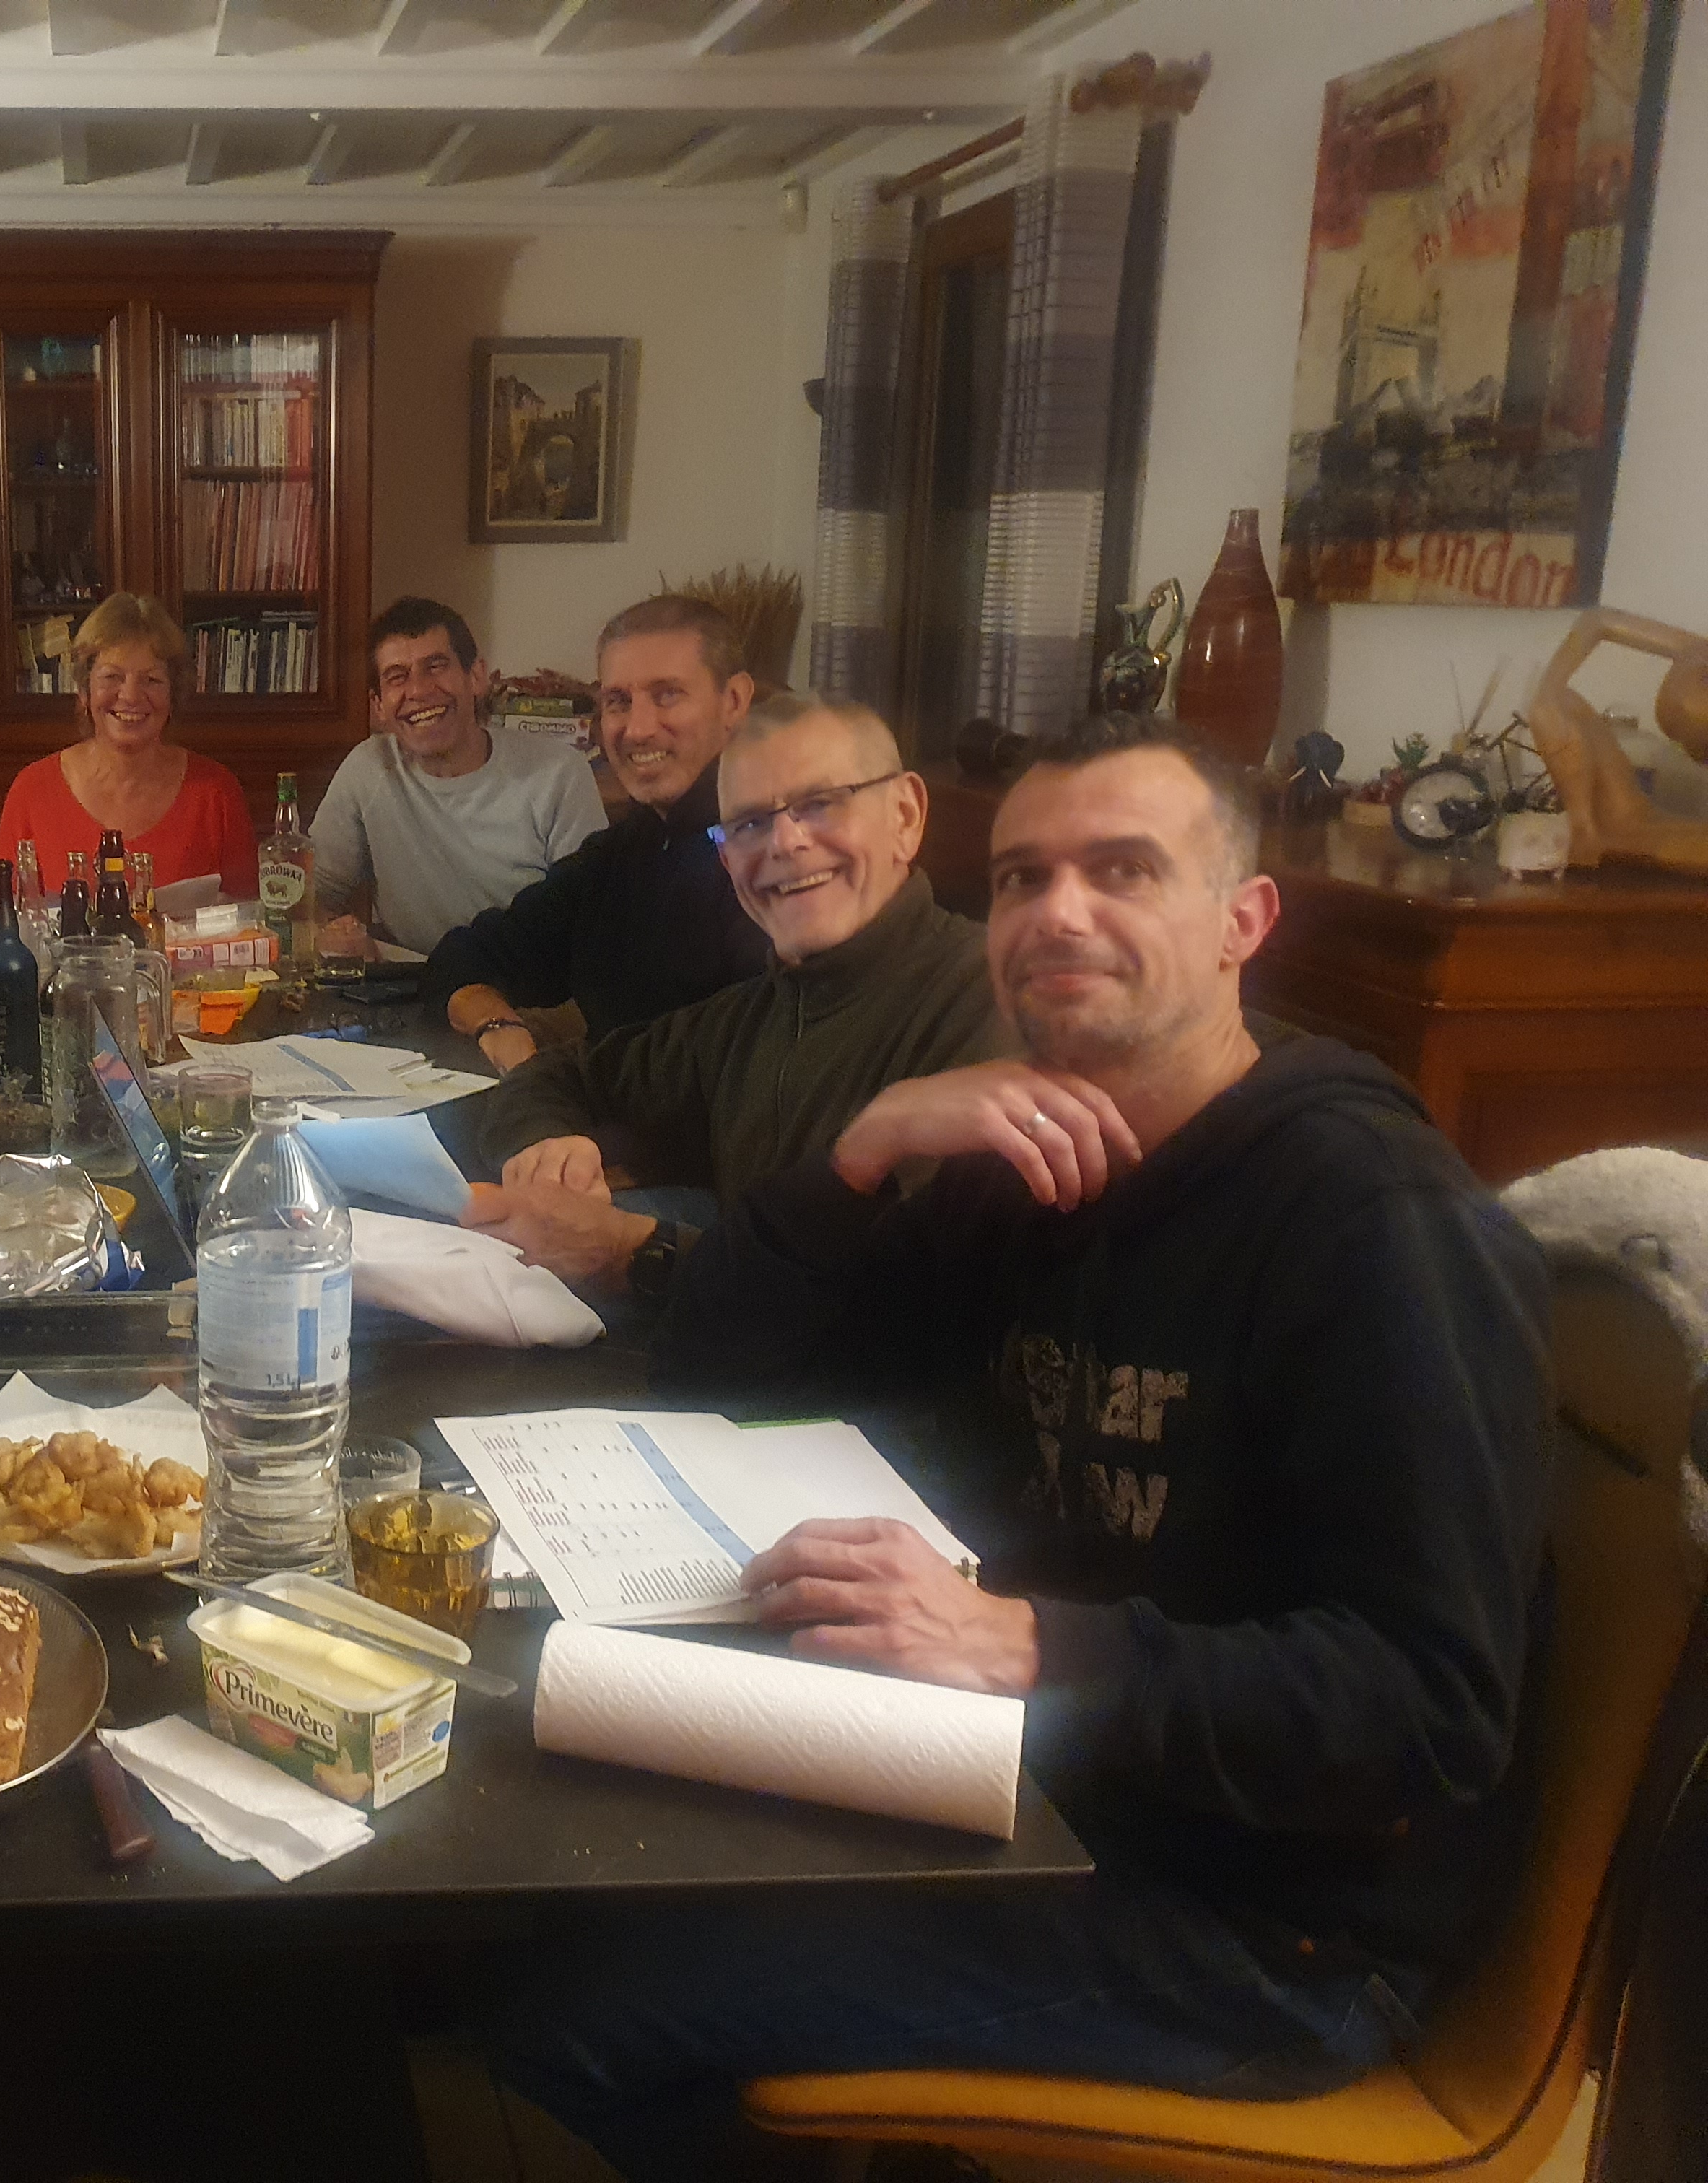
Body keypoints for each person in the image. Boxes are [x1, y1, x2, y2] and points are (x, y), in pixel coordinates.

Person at [488, 713, 1552, 2180]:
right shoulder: (1026, 1170)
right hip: (1028, 1775)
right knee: (553, 1878)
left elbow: (1432, 1713)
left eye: (1123, 870)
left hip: (1274, 1922)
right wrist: (863, 1151)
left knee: (577, 2006)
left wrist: (1026, 1643)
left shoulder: (1374, 1222)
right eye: (1022, 878)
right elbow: (721, 1374)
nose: (1057, 912)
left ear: (1243, 920)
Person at [461, 694, 1002, 1300]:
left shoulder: (991, 1002)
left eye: (821, 804)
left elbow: (916, 1304)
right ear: (725, 858)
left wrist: (640, 1253)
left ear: (905, 815)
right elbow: (555, 1077)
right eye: (750, 824)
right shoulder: (743, 1021)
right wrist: (548, 1151)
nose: (785, 843)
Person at [425, 594, 770, 1074]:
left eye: (668, 695)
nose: (638, 729)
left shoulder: (780, 860)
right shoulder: (618, 855)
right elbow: (464, 957)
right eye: (619, 702)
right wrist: (497, 1026)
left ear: (733, 701)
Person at [312, 596, 606, 958]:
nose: (419, 691)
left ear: (476, 677)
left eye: (436, 667)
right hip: (406, 981)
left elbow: (588, 925)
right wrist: (334, 935)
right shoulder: (368, 769)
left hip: (525, 984)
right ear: (378, 706)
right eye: (398, 677)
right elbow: (311, 895)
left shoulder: (560, 774)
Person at [0, 591, 258, 896]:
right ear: (84, 691)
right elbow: (0, 905)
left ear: (173, 696)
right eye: (112, 677)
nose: (131, 696)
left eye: (152, 680)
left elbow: (248, 910)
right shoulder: (32, 790)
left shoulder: (216, 794)